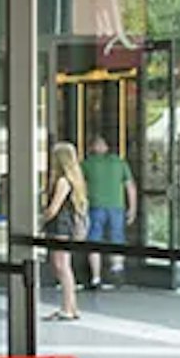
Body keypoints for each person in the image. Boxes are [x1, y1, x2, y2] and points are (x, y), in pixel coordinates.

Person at [39, 141, 89, 321]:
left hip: (60, 226)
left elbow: (54, 208)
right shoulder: (75, 179)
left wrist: (40, 220)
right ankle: (71, 307)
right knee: (63, 266)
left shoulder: (62, 181)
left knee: (61, 266)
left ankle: (67, 308)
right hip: (65, 226)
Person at [79, 135, 132, 286]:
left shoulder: (86, 164)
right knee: (117, 238)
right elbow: (130, 187)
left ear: (91, 148)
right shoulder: (120, 163)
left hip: (95, 206)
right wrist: (132, 208)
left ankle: (96, 277)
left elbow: (80, 186)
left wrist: (81, 208)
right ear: (106, 147)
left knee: (94, 240)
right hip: (117, 207)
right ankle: (117, 270)